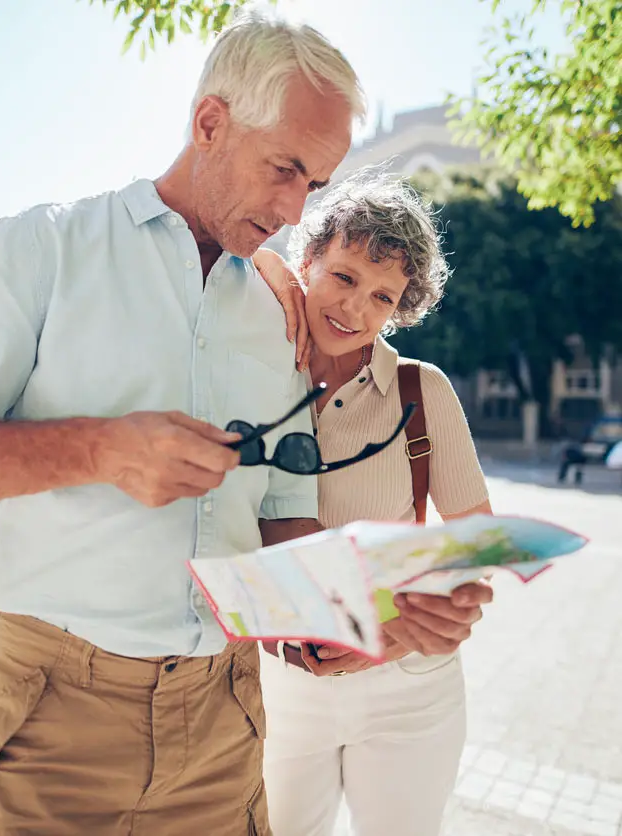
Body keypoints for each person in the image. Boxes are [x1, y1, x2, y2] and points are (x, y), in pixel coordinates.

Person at [0, 10, 491, 832]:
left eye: (316, 185)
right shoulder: (44, 250)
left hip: (228, 722)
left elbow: (277, 520)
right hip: (57, 719)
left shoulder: (275, 314)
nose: (296, 211)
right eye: (285, 168)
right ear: (209, 122)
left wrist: (378, 614)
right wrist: (99, 448)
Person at [252, 172, 493, 836]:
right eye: (344, 277)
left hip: (408, 689)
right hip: (280, 686)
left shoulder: (423, 391)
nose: (355, 308)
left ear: (400, 310)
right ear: (307, 260)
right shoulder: (253, 373)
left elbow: (479, 544)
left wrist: (380, 631)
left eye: (382, 296)